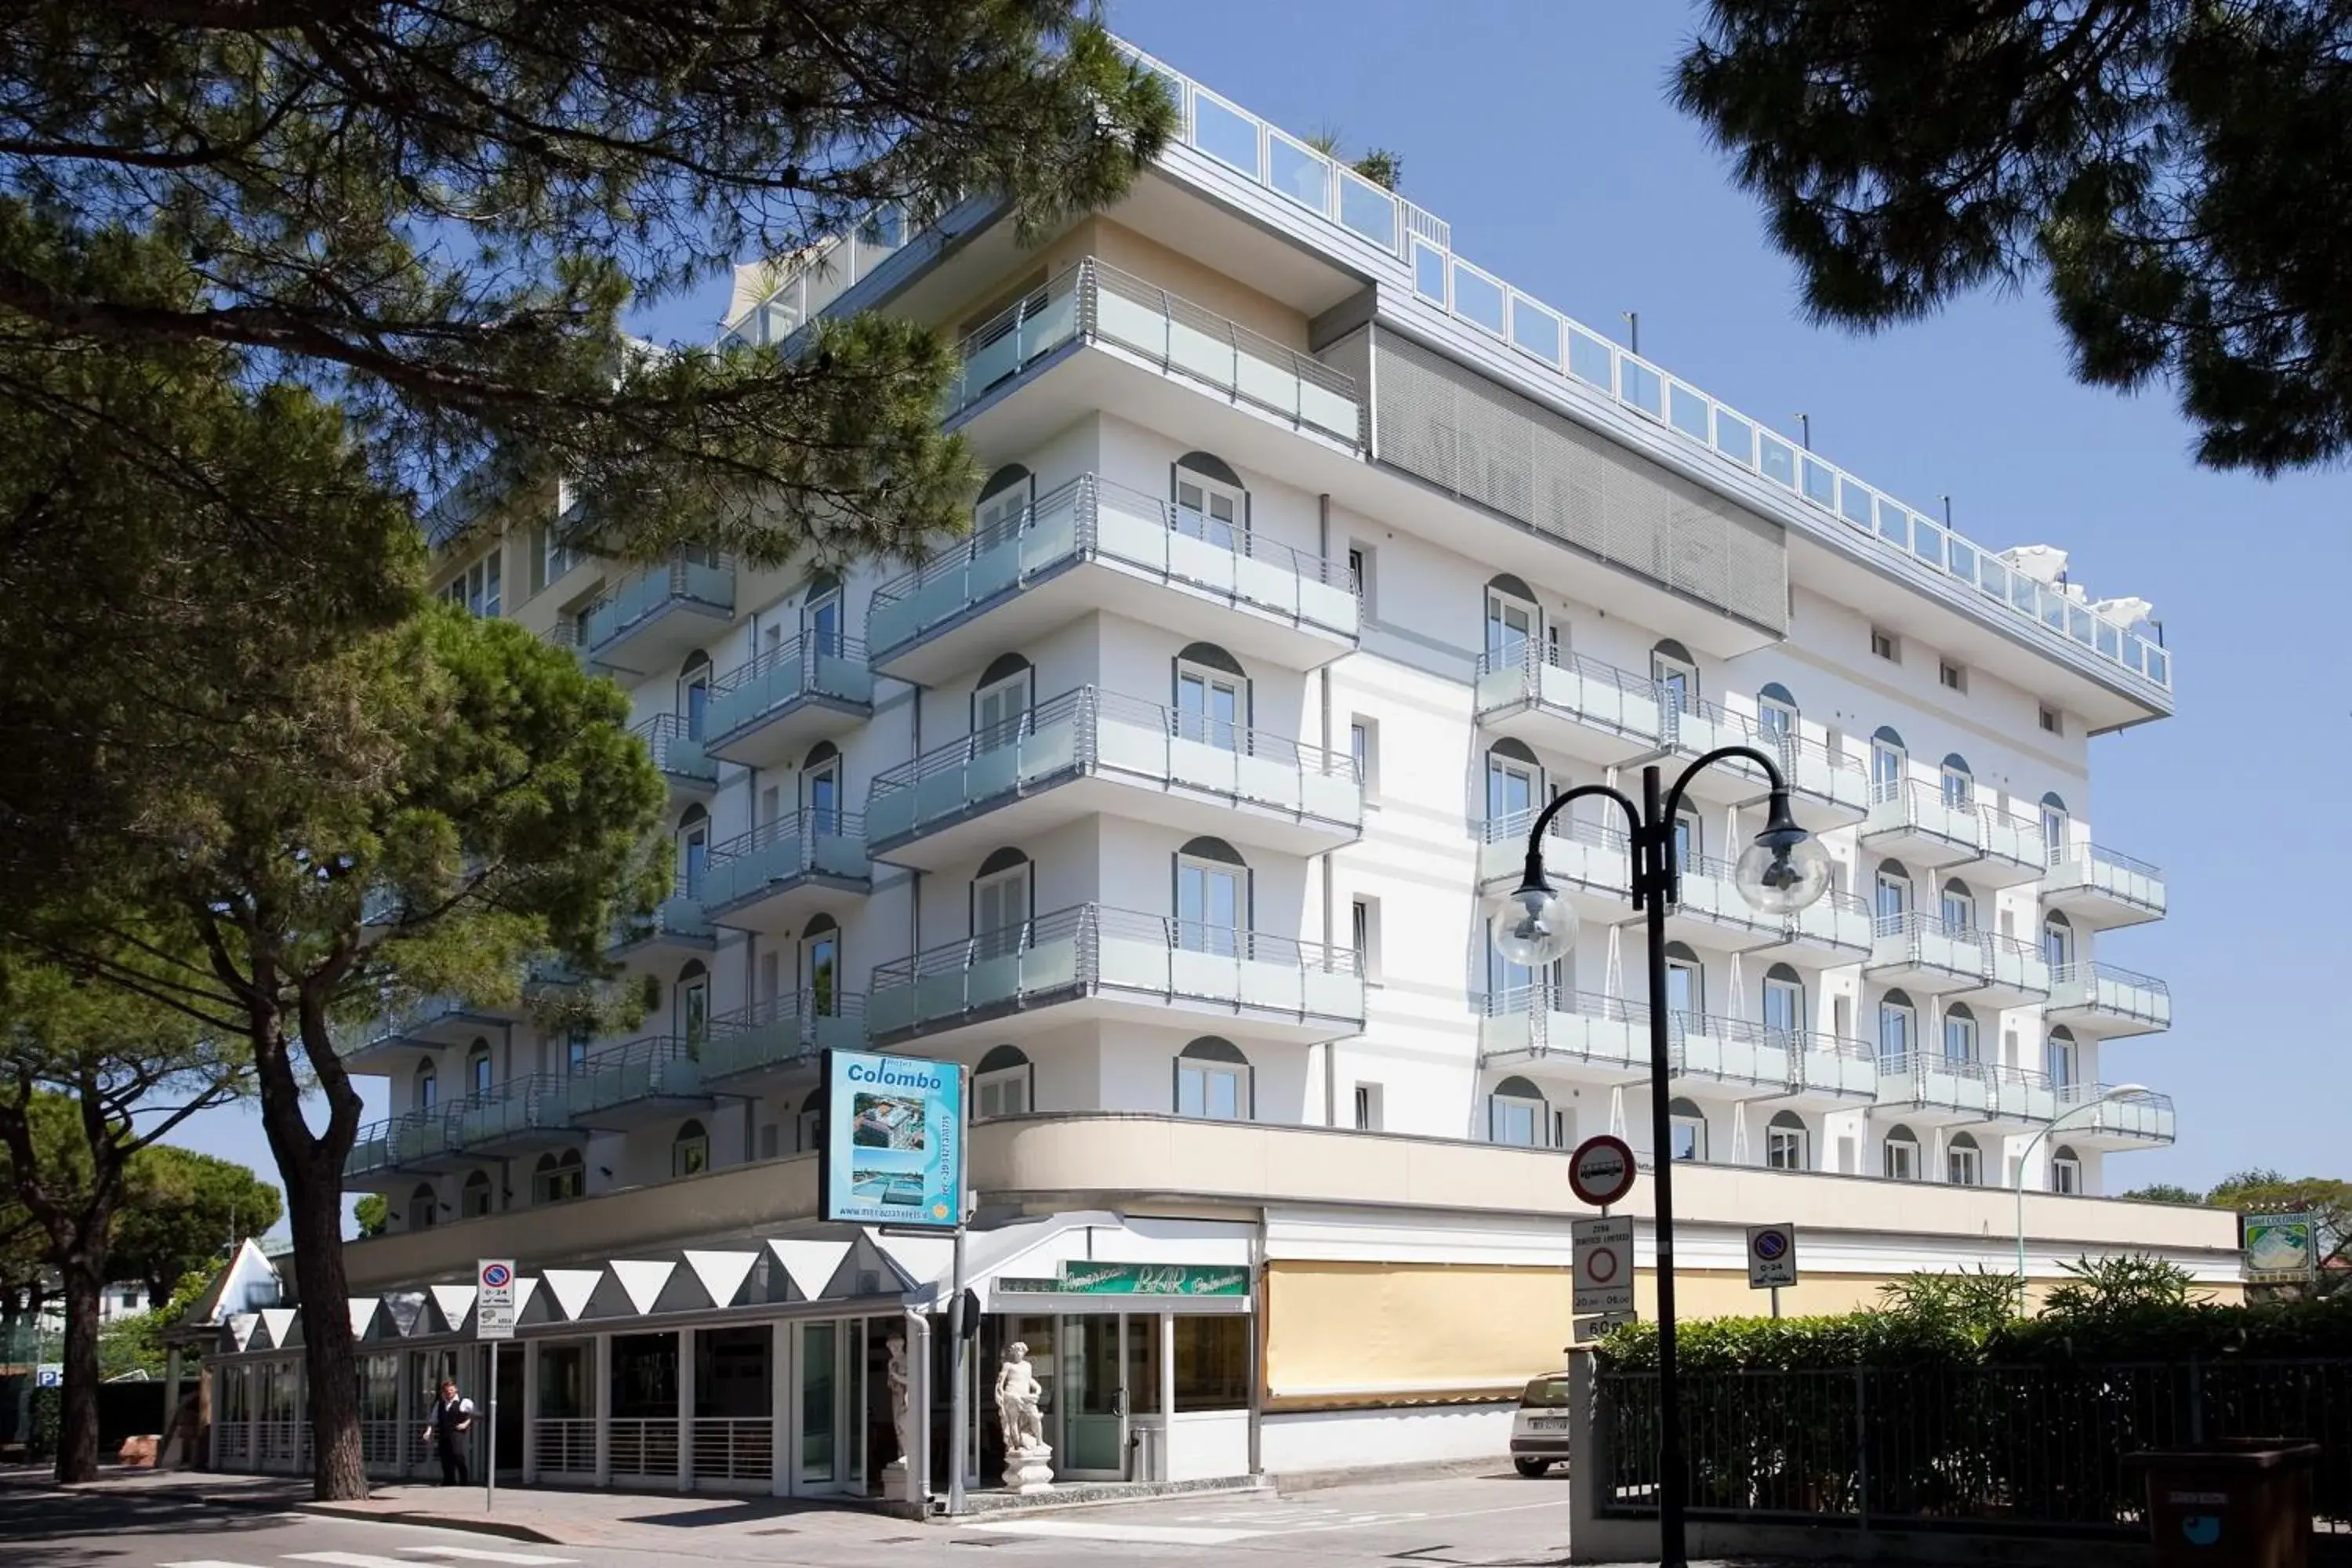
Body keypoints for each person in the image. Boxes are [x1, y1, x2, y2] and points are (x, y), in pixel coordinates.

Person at [421, 1376, 477, 1486]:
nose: (449, 1393)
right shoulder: (440, 1404)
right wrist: (428, 1431)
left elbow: (476, 1414)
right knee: (444, 1456)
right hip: (443, 1432)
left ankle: (463, 1480)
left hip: (457, 1432)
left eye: (451, 1390)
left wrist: (465, 1423)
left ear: (455, 1390)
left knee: (457, 1454)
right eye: (446, 1391)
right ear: (443, 1392)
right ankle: (449, 1480)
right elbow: (434, 1419)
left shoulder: (464, 1402)